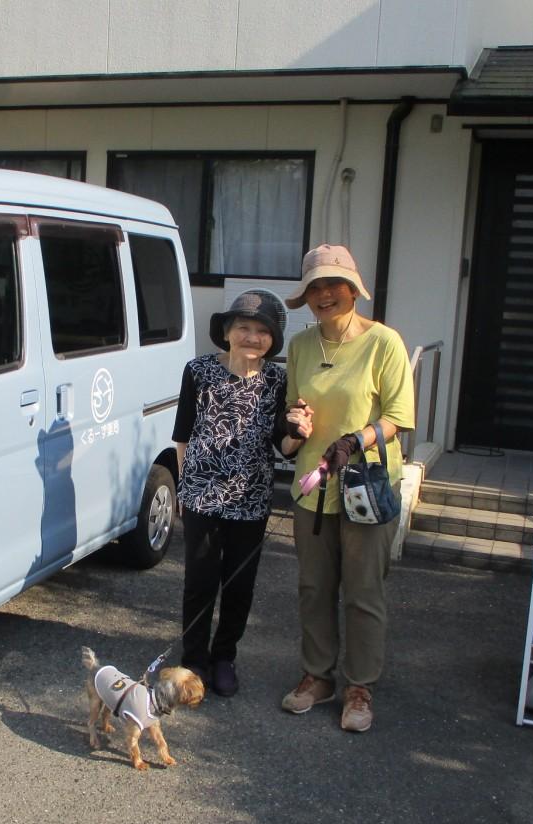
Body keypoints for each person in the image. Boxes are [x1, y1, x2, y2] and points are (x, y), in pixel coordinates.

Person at [279, 244, 415, 732]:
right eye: (314, 287)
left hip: (366, 486)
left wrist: (356, 439)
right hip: (312, 487)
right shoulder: (299, 346)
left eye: (333, 284)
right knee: (314, 588)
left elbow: (399, 417)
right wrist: (297, 423)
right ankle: (317, 677)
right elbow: (296, 414)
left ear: (353, 289)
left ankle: (360, 686)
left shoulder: (384, 342)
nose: (324, 294)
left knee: (362, 593)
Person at [172, 290, 306, 697]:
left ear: (272, 339)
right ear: (227, 332)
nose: (252, 336)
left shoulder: (277, 380)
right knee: (200, 581)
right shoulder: (197, 371)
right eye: (244, 327)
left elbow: (283, 446)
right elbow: (182, 436)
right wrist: (183, 487)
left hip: (250, 499)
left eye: (262, 331)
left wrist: (300, 432)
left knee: (239, 585)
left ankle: (224, 656)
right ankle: (194, 660)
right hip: (201, 496)